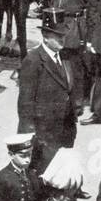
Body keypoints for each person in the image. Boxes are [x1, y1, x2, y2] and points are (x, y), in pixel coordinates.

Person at [16, 11, 77, 174]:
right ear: (45, 36)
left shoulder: (64, 57)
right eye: (57, 36)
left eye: (63, 35)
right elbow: (25, 102)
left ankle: (69, 187)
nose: (62, 39)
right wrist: (28, 132)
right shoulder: (33, 60)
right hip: (45, 129)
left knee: (63, 163)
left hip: (65, 125)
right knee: (45, 171)